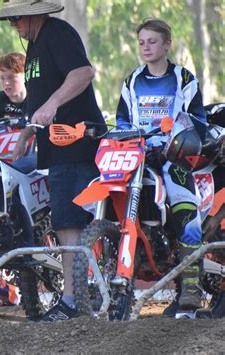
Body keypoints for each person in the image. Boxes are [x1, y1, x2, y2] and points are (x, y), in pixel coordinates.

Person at [0, 0, 105, 321]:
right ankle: (75, 293)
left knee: (72, 219)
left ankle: (73, 297)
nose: (14, 25)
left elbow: (83, 72)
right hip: (53, 147)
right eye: (10, 21)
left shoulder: (57, 33)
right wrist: (28, 131)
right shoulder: (35, 48)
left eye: (17, 18)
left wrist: (53, 104)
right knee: (63, 219)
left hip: (77, 142)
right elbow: (38, 96)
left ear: (36, 12)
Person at [115, 19, 207, 315]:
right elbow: (122, 122)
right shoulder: (132, 80)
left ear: (167, 44)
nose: (146, 47)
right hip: (138, 156)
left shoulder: (183, 77)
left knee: (187, 217)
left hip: (174, 158)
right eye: (141, 42)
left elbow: (198, 122)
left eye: (152, 41)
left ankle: (191, 291)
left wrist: (176, 142)